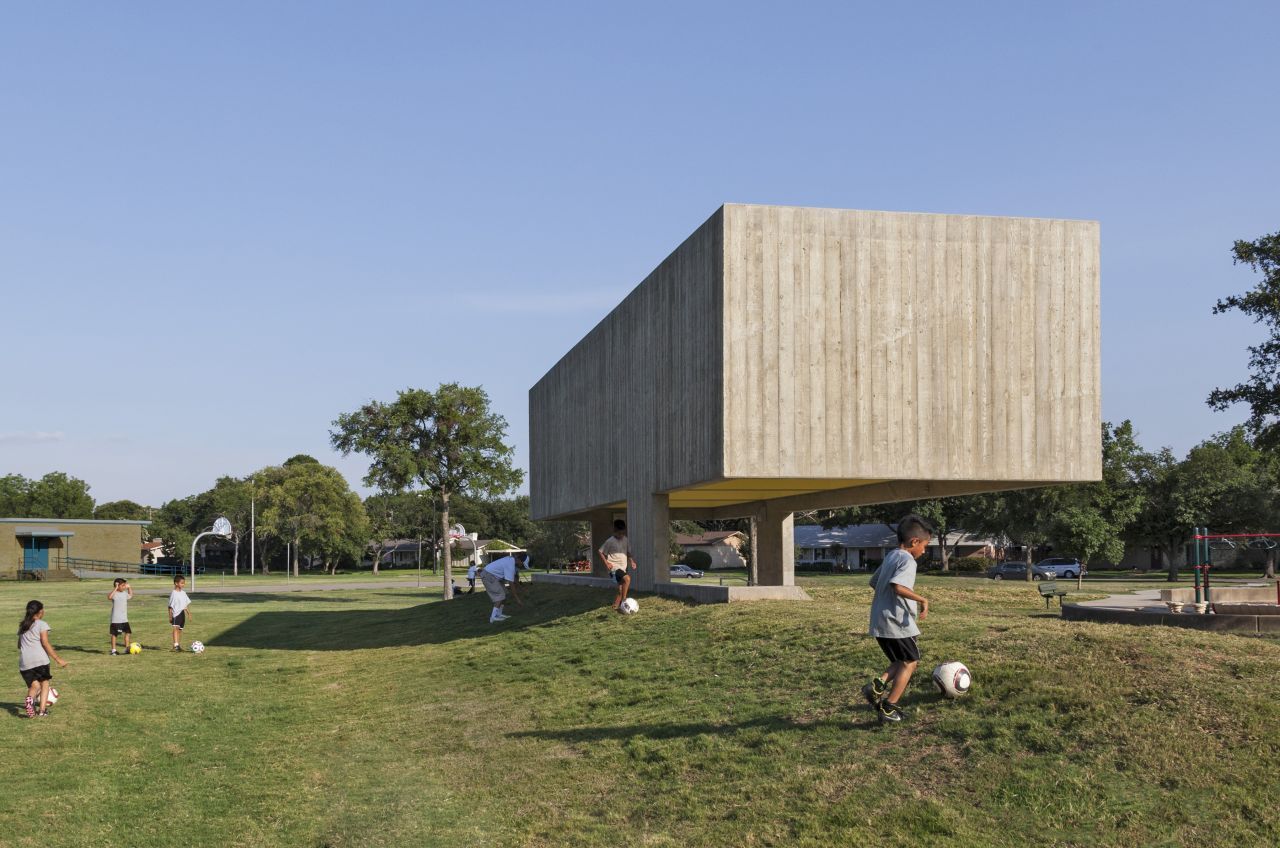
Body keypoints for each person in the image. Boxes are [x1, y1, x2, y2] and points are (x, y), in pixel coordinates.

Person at [863, 514, 933, 724]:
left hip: (880, 619)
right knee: (911, 662)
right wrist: (922, 599)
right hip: (897, 622)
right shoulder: (907, 560)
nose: (924, 551)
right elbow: (898, 586)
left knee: (899, 661)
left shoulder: (891, 556)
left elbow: (875, 582)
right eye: (925, 546)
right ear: (914, 541)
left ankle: (875, 686)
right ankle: (889, 708)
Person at [18, 600, 68, 718]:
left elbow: (19, 645)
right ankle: (42, 711)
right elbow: (45, 643)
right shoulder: (41, 624)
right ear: (40, 612)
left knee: (34, 686)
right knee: (45, 684)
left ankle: (30, 703)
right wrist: (58, 659)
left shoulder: (23, 626)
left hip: (25, 662)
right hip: (40, 660)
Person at [598, 519, 638, 612]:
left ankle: (616, 606)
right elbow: (600, 551)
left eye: (623, 533)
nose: (621, 535)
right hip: (613, 568)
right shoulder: (609, 541)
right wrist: (607, 563)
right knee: (627, 579)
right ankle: (624, 602)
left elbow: (628, 552)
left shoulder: (626, 540)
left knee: (621, 589)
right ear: (614, 530)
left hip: (623, 568)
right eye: (619, 533)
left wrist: (632, 561)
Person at [480, 552, 527, 623]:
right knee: (500, 596)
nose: (522, 565)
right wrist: (518, 599)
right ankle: (493, 617)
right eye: (522, 564)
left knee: (505, 593)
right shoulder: (510, 564)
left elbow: (513, 578)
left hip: (494, 576)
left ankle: (499, 614)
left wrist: (520, 588)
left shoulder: (511, 560)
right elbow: (511, 583)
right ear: (519, 560)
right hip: (488, 576)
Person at [107, 577, 133, 655]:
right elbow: (109, 597)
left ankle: (127, 649)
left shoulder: (124, 593)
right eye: (123, 585)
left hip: (124, 619)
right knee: (115, 634)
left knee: (128, 633)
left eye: (125, 585)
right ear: (117, 586)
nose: (124, 587)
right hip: (116, 619)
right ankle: (113, 650)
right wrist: (116, 588)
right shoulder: (115, 594)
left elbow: (130, 596)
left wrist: (129, 588)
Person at [168, 575, 192, 652]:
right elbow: (170, 606)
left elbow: (184, 604)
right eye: (181, 583)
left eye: (184, 583)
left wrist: (188, 613)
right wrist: (170, 616)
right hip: (175, 614)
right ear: (176, 583)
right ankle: (175, 645)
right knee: (175, 628)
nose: (183, 584)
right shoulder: (174, 593)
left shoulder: (183, 593)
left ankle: (177, 645)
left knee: (180, 630)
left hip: (182, 613)